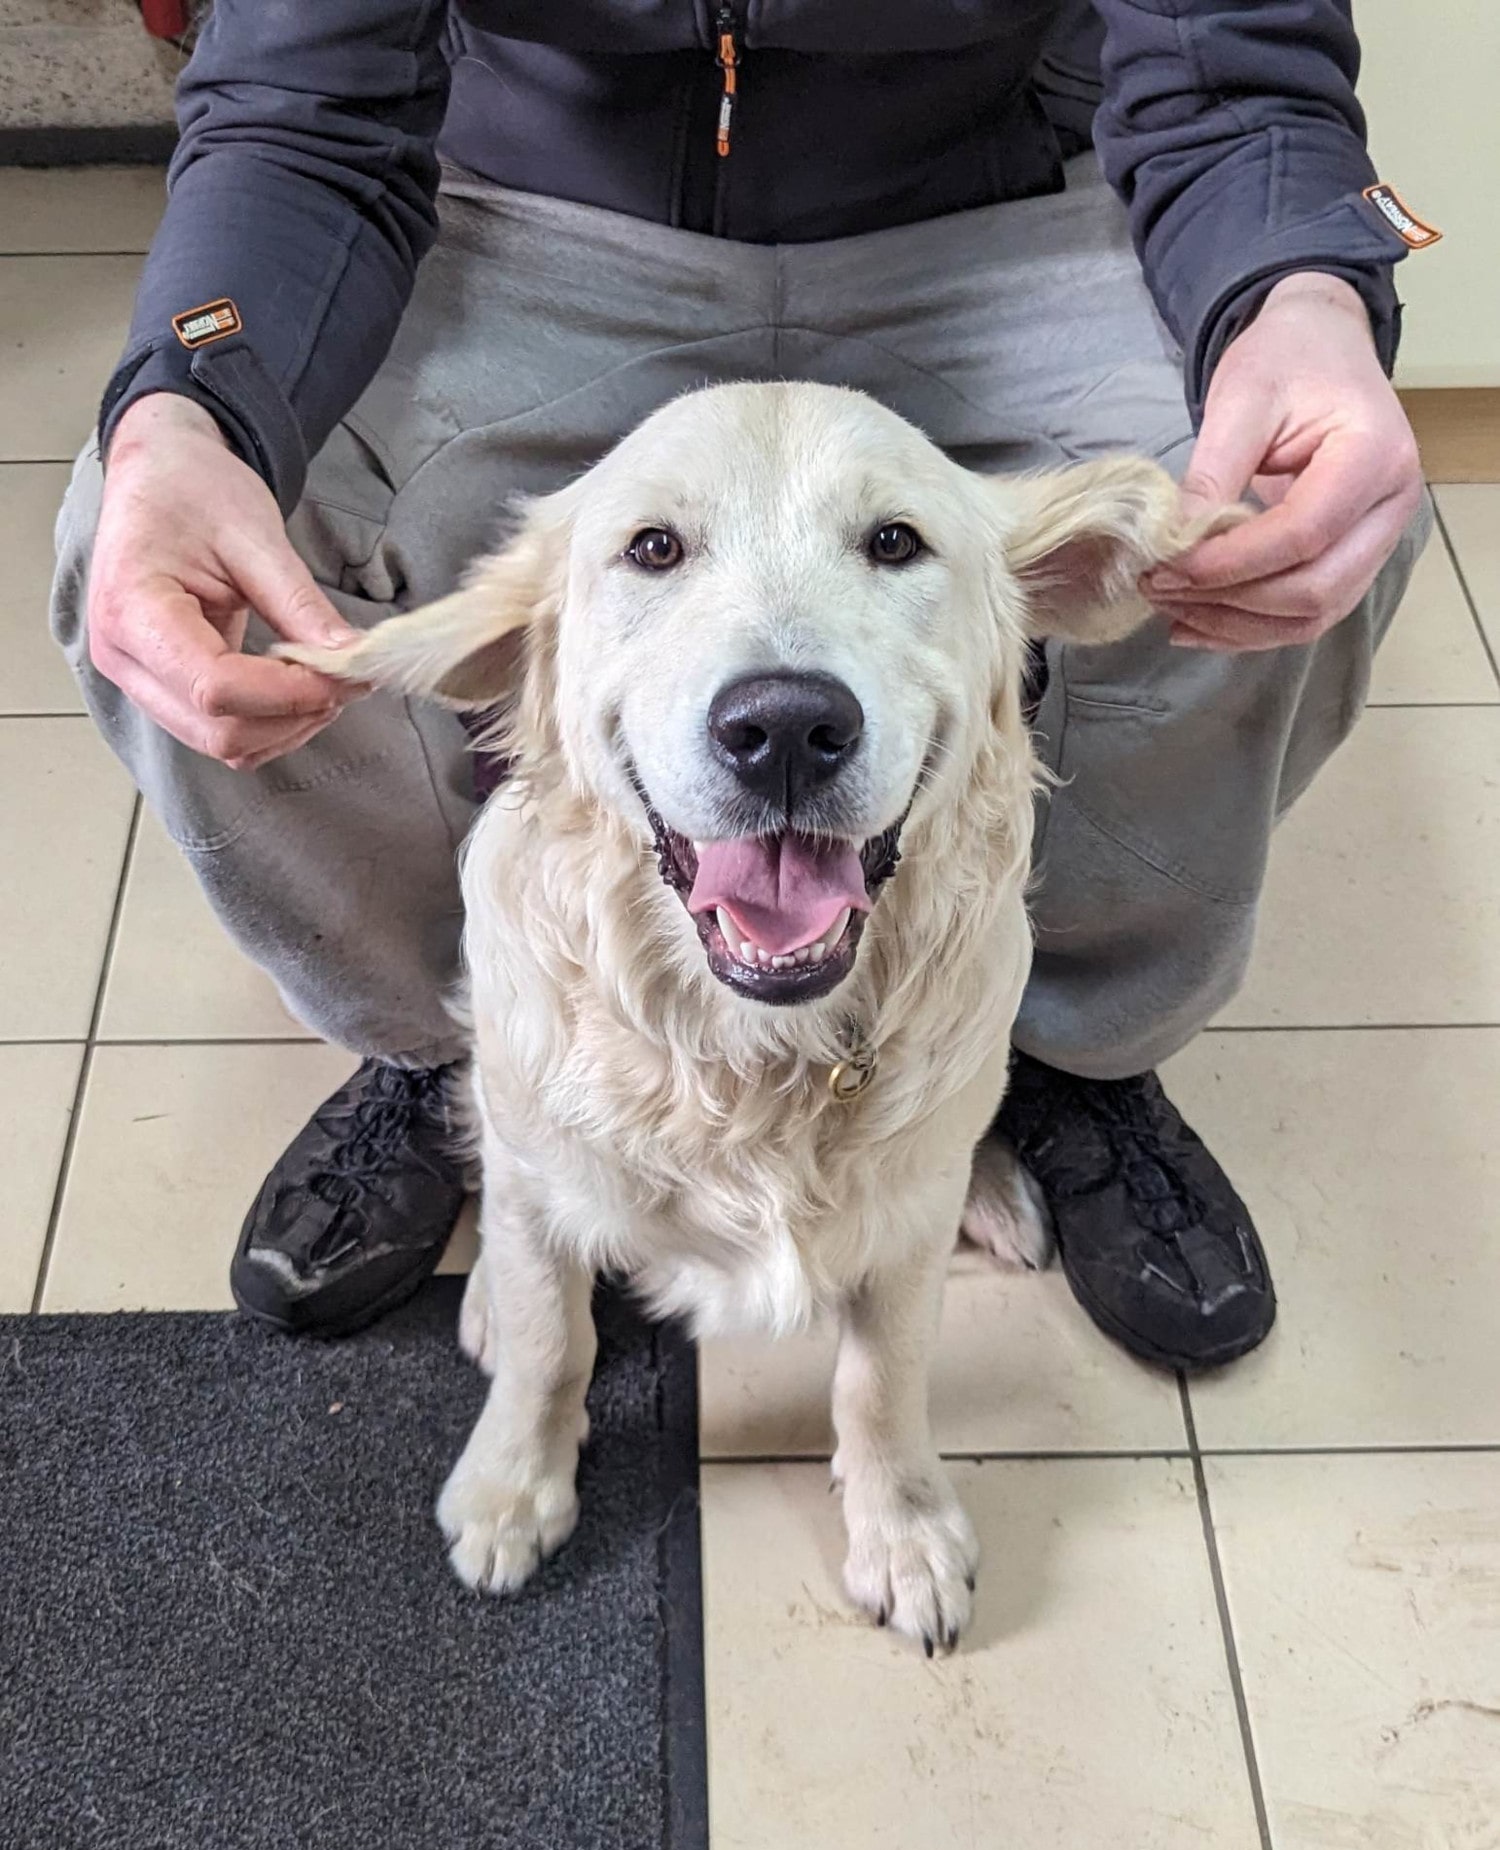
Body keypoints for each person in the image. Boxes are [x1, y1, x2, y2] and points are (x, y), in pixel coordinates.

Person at [52, 1, 1426, 1367]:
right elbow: (303, 110)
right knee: (177, 523)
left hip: (998, 206)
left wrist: (1296, 292)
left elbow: (1236, 78)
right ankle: (445, 1037)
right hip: (529, 224)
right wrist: (194, 393)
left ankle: (1075, 1053)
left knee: (1272, 500)